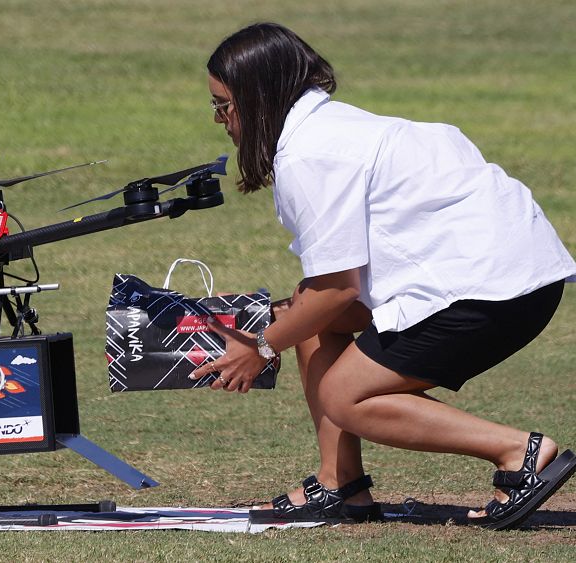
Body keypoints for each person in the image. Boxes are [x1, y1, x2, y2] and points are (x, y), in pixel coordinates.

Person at [189, 22, 576, 530]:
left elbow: (338, 290)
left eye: (224, 104)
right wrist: (282, 323)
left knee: (344, 395)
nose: (221, 119)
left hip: (492, 288)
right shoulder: (330, 129)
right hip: (511, 274)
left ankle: (520, 453)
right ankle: (339, 486)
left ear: (260, 98)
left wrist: (259, 347)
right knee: (304, 311)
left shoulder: (310, 154)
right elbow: (324, 295)